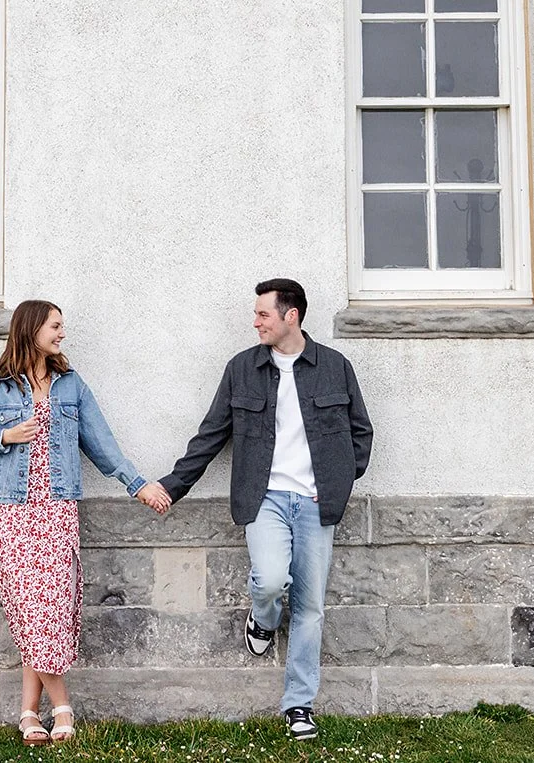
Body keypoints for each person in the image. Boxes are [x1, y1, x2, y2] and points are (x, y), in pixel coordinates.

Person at [140, 278, 373, 741]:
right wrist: (171, 486)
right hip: (263, 497)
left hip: (315, 503)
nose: (256, 321)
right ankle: (263, 618)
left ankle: (299, 705)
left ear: (291, 316)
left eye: (263, 314)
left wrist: (338, 485)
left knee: (310, 607)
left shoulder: (334, 367)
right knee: (268, 579)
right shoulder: (242, 369)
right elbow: (211, 435)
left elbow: (359, 432)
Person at [0, 299, 170, 745]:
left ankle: (29, 712)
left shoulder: (70, 386)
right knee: (29, 608)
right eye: (55, 326)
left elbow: (101, 442)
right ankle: (60, 704)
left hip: (56, 508)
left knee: (50, 606)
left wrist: (137, 484)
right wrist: (4, 436)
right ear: (31, 328)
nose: (62, 333)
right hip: (10, 509)